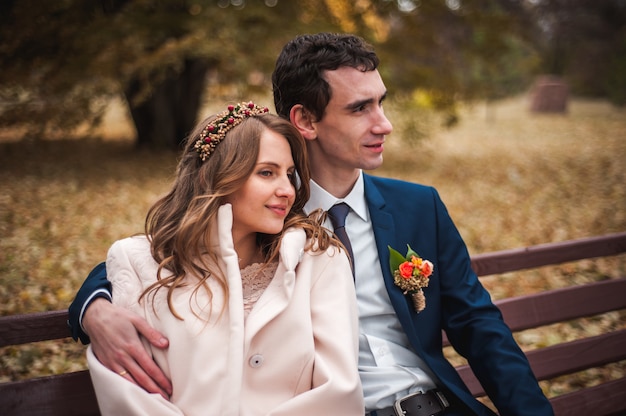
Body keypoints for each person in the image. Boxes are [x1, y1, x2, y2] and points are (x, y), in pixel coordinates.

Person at [69, 34, 554, 415]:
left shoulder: (418, 207)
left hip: (435, 404)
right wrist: (93, 308)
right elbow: (162, 251)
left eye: (381, 102)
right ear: (305, 119)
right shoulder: (267, 209)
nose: (383, 123)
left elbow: (478, 324)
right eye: (360, 108)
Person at [83, 102, 364, 415]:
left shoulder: (319, 261)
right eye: (267, 173)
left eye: (289, 174)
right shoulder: (137, 262)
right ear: (217, 178)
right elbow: (132, 398)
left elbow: (336, 394)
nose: (287, 189)